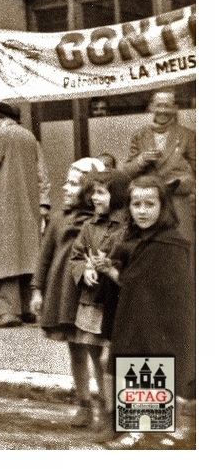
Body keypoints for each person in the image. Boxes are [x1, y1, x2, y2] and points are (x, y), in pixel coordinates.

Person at [104, 176, 195, 450]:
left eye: (149, 204)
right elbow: (131, 277)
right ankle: (136, 430)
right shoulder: (132, 237)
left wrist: (113, 271)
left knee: (155, 364)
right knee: (134, 364)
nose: (142, 211)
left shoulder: (172, 242)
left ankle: (158, 431)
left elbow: (159, 282)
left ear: (163, 206)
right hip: (133, 314)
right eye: (136, 204)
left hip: (164, 319)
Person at [29, 157, 102, 428]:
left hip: (89, 297)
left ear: (87, 190)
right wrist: (37, 290)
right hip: (63, 296)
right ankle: (84, 403)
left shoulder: (99, 222)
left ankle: (105, 403)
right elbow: (44, 257)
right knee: (75, 350)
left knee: (94, 348)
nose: (65, 188)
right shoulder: (59, 220)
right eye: (66, 183)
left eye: (72, 184)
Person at [67, 167, 131, 440]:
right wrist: (85, 270)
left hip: (117, 302)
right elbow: (76, 256)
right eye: (93, 192)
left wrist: (110, 267)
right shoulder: (89, 226)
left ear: (115, 196)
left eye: (101, 192)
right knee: (96, 355)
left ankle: (122, 415)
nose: (94, 197)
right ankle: (106, 411)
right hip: (93, 301)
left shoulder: (127, 227)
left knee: (114, 359)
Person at [0, 102, 43, 328]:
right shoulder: (29, 137)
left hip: (2, 206)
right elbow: (42, 172)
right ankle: (26, 309)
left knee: (2, 257)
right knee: (24, 256)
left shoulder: (0, 135)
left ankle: (7, 312)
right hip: (26, 206)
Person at [122, 90, 195, 252]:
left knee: (181, 249)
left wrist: (184, 183)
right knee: (150, 251)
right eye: (159, 105)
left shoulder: (187, 136)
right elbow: (127, 172)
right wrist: (142, 160)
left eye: (167, 106)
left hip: (178, 202)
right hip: (148, 204)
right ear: (151, 107)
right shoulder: (139, 136)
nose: (163, 110)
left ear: (175, 108)